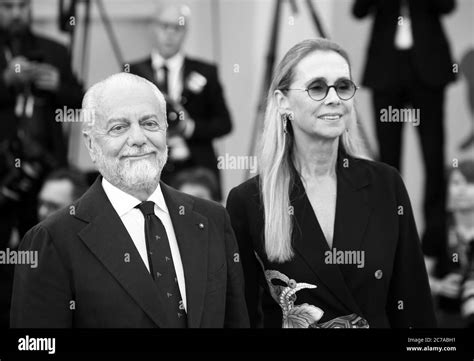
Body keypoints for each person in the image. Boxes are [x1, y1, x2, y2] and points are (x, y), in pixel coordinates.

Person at [10, 73, 249, 328]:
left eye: (149, 123)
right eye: (119, 127)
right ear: (91, 143)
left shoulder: (212, 219)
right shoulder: (52, 240)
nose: (138, 138)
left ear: (166, 132)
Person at [226, 38, 436, 328]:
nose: (334, 98)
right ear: (282, 101)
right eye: (317, 88)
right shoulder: (249, 200)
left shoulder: (385, 184)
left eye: (343, 86)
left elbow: (415, 306)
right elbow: (242, 315)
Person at [352, 0, 457, 271]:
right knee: (387, 163)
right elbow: (359, 10)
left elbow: (447, 6)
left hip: (428, 70)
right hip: (386, 70)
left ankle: (436, 244)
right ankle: (390, 240)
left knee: (434, 159)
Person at [0, 0, 83, 329]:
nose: (17, 13)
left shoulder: (55, 50)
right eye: (8, 6)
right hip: (3, 172)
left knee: (50, 251)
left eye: (22, 6)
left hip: (47, 171)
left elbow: (82, 101)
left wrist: (58, 87)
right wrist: (6, 80)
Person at [127, 4, 232, 200]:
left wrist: (189, 128)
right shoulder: (133, 71)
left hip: (196, 167)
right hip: (152, 166)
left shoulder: (206, 71)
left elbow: (224, 124)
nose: (170, 34)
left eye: (177, 28)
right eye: (164, 26)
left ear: (186, 32)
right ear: (152, 28)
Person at [425, 159, 474, 328]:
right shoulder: (437, 227)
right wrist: (439, 286)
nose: (460, 190)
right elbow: (417, 275)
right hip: (449, 314)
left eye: (468, 184)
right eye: (455, 183)